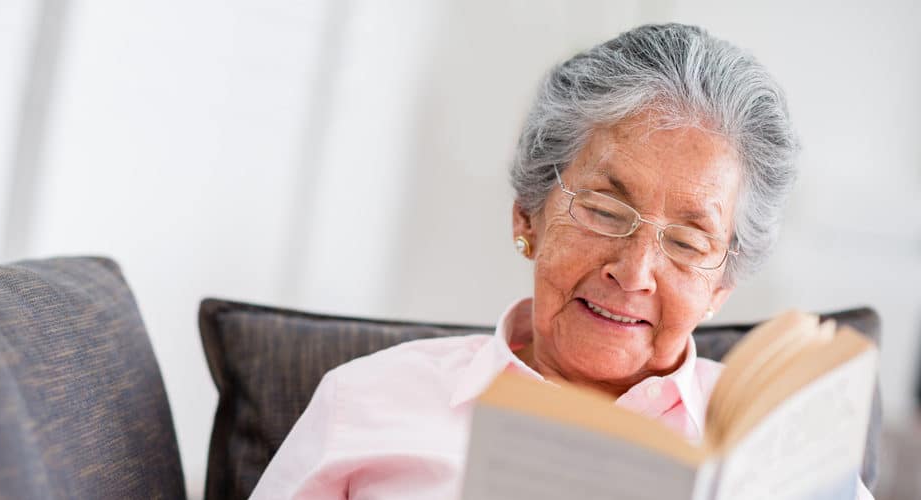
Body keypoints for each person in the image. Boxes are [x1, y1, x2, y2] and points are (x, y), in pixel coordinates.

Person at [250, 23, 873, 499]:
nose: (634, 272)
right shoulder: (367, 401)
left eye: (687, 243)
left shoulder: (782, 448)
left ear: (721, 287)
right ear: (528, 214)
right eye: (603, 209)